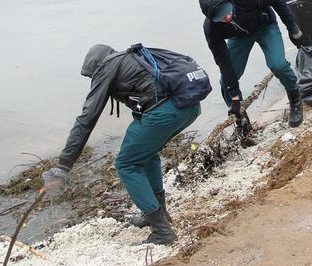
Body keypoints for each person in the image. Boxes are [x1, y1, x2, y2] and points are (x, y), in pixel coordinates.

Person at [41, 44, 204, 245]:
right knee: (147, 154)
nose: (93, 80)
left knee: (126, 164)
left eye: (91, 75)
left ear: (95, 66)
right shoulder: (131, 59)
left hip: (165, 112)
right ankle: (159, 213)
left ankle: (162, 232)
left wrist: (64, 165)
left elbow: (86, 119)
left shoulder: (106, 67)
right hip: (189, 107)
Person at [198, 0, 305, 128]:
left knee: (278, 65)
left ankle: (295, 97)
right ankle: (241, 121)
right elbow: (223, 61)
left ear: (229, 1)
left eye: (228, 11)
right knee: (225, 82)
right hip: (239, 37)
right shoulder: (211, 29)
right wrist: (234, 96)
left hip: (265, 26)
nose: (228, 17)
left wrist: (292, 27)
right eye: (222, 18)